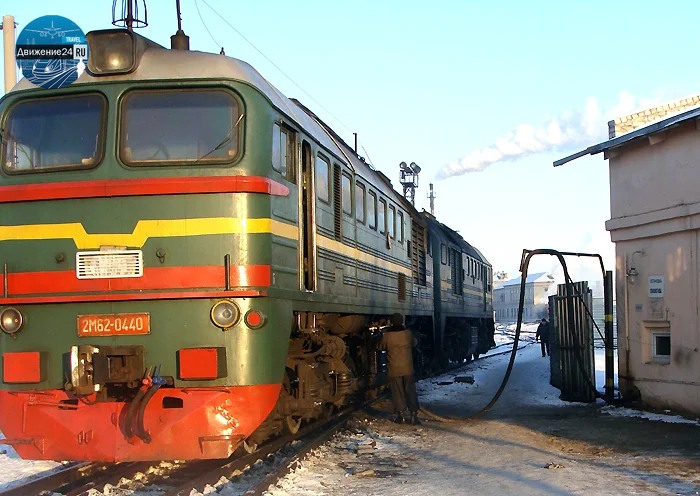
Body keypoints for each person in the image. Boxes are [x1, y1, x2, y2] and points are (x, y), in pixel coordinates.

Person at [379, 313, 420, 425]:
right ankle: (413, 416)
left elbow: (380, 346)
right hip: (407, 368)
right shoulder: (408, 334)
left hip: (394, 368)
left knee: (397, 392)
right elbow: (415, 343)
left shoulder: (387, 336)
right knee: (410, 390)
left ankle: (401, 416)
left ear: (391, 322)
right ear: (402, 321)